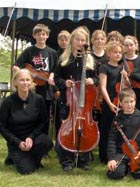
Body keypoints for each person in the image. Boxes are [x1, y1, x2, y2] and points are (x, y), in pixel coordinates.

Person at [54, 26, 99, 171]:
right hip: (69, 100)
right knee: (67, 130)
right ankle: (66, 160)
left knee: (85, 129)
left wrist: (93, 81)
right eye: (78, 40)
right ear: (72, 41)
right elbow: (56, 78)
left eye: (83, 40)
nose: (80, 43)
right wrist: (64, 83)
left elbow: (96, 78)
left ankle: (83, 160)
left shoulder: (90, 60)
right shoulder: (64, 58)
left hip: (85, 102)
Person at [0, 69, 53, 174]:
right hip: (16, 141)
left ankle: (31, 160)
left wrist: (31, 137)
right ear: (15, 82)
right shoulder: (8, 102)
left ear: (32, 82)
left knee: (47, 142)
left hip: (33, 139)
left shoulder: (38, 100)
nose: (25, 83)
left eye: (28, 80)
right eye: (21, 80)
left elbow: (43, 122)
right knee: (26, 170)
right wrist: (17, 142)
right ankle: (14, 156)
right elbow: (2, 127)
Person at [12, 23, 58, 136]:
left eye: (44, 34)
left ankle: (43, 143)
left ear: (47, 36)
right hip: (32, 89)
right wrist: (26, 77)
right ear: (34, 36)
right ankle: (30, 139)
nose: (41, 37)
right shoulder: (29, 51)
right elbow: (15, 66)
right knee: (31, 115)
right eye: (39, 34)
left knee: (45, 116)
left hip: (47, 90)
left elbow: (56, 69)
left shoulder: (52, 52)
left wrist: (51, 76)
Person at [107, 88, 140, 180]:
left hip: (137, 153)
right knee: (115, 174)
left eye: (131, 101)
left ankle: (130, 167)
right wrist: (111, 158)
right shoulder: (117, 119)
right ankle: (124, 167)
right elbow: (112, 139)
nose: (129, 104)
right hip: (121, 153)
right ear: (120, 103)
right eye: (126, 102)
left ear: (135, 101)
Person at [98, 41, 127, 164]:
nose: (118, 54)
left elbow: (126, 87)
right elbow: (103, 87)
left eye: (120, 53)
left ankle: (116, 153)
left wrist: (126, 77)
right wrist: (109, 103)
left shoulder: (122, 68)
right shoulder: (104, 67)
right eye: (115, 52)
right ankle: (104, 155)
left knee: (118, 129)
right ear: (108, 53)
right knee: (106, 128)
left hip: (119, 101)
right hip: (108, 102)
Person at [122, 35, 140, 109]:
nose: (129, 47)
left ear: (136, 46)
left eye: (131, 45)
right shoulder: (120, 60)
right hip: (125, 92)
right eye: (126, 45)